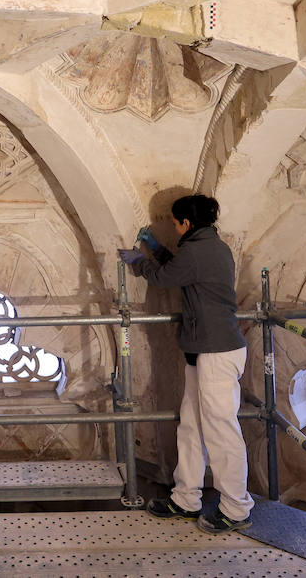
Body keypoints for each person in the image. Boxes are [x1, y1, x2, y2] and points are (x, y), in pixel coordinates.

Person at [119, 193, 252, 535]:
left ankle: (236, 508)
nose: (175, 229)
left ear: (187, 223)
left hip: (217, 353)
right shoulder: (209, 246)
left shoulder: (198, 251)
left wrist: (137, 262)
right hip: (203, 350)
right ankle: (186, 497)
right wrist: (154, 250)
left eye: (176, 223)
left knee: (222, 430)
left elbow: (164, 277)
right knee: (192, 426)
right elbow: (178, 267)